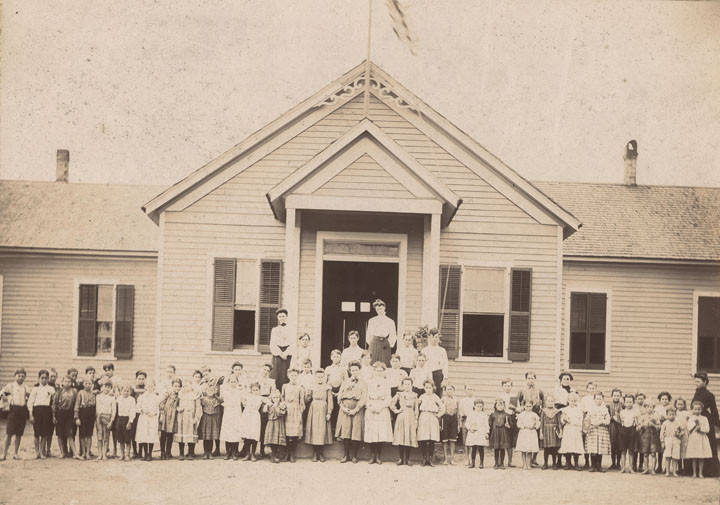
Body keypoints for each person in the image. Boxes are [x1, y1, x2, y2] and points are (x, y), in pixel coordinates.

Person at [335, 361, 367, 463]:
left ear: (359, 370)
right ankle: (346, 455)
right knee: (346, 432)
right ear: (350, 371)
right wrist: (344, 408)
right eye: (352, 370)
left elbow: (364, 397)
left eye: (356, 370)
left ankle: (354, 456)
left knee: (356, 432)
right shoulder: (345, 382)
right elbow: (339, 397)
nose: (354, 372)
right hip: (345, 409)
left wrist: (356, 409)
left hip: (357, 409)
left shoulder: (363, 383)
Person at [691, 372, 720, 477]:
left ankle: (711, 471)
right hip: (696, 420)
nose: (696, 383)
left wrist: (716, 424)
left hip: (706, 421)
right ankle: (694, 471)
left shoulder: (709, 395)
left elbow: (714, 411)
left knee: (708, 445)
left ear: (705, 382)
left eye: (698, 381)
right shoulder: (696, 393)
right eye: (695, 381)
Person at [364, 361, 393, 464]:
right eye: (377, 370)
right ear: (374, 371)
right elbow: (365, 396)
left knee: (380, 432)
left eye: (381, 371)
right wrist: (370, 406)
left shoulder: (386, 382)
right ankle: (372, 455)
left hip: (382, 408)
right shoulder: (369, 382)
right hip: (371, 408)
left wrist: (381, 407)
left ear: (384, 371)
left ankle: (378, 455)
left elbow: (389, 398)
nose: (379, 372)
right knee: (372, 432)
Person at [303, 369, 333, 462]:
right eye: (318, 377)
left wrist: (329, 413)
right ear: (315, 377)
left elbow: (330, 401)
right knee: (314, 431)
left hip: (323, 408)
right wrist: (307, 394)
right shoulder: (312, 386)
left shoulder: (327, 387)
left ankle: (321, 453)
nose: (320, 378)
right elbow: (307, 399)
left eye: (321, 377)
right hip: (314, 409)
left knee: (322, 431)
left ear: (324, 377)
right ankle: (315, 453)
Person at [1, 368, 30, 461]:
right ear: (15, 376)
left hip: (22, 411)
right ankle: (4, 454)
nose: (21, 378)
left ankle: (15, 453)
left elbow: (29, 398)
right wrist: (8, 398)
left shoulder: (26, 387)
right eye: (19, 376)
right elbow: (2, 394)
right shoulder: (11, 386)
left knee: (19, 433)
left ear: (25, 377)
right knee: (9, 433)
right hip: (13, 410)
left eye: (22, 376)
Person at [518, 371, 544, 466]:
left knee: (535, 438)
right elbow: (518, 402)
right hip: (526, 416)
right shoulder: (522, 390)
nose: (531, 380)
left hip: (536, 416)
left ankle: (534, 459)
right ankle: (526, 461)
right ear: (526, 379)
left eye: (532, 378)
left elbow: (543, 402)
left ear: (535, 379)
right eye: (529, 378)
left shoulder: (539, 391)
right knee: (526, 439)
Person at [391, 377, 418, 466]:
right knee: (401, 436)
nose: (407, 386)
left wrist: (416, 419)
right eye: (405, 384)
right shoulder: (399, 394)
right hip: (402, 416)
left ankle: (408, 459)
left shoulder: (414, 395)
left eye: (409, 384)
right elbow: (391, 404)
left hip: (410, 416)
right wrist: (396, 410)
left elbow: (416, 409)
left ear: (412, 385)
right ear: (402, 385)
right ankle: (401, 458)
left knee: (409, 436)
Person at [28, 369, 54, 459]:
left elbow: (54, 402)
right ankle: (37, 452)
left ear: (48, 379)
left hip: (47, 411)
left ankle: (42, 452)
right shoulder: (35, 389)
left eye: (46, 378)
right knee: (37, 433)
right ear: (39, 378)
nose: (44, 380)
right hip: (37, 411)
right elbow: (30, 402)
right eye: (42, 378)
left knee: (44, 433)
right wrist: (31, 415)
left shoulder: (51, 389)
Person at [417, 379, 444, 467]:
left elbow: (442, 408)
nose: (428, 389)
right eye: (426, 387)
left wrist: (438, 415)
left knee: (432, 439)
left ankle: (430, 459)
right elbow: (416, 406)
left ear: (433, 388)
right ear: (424, 388)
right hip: (424, 416)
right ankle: (424, 459)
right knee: (423, 439)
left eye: (430, 387)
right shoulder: (422, 396)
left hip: (432, 417)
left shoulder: (435, 397)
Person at [281, 368, 305, 462]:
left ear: (297, 376)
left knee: (294, 433)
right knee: (286, 433)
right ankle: (286, 453)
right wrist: (283, 407)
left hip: (296, 410)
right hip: (287, 410)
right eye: (292, 375)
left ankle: (292, 454)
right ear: (288, 376)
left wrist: (300, 412)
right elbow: (282, 398)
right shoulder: (285, 386)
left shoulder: (300, 387)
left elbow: (302, 402)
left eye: (295, 375)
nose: (293, 377)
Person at [53, 375, 79, 459]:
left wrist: (75, 415)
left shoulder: (74, 391)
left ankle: (75, 453)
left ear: (71, 383)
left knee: (70, 434)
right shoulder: (59, 392)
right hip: (60, 414)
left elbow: (76, 404)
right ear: (62, 383)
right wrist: (54, 416)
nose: (67, 383)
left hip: (70, 414)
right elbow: (54, 405)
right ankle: (62, 452)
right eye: (65, 381)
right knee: (60, 434)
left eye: (69, 382)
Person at [584, 392, 611, 472]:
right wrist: (592, 423)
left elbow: (608, 420)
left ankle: (599, 465)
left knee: (600, 448)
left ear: (602, 399)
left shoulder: (605, 409)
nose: (598, 400)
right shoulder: (591, 408)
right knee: (593, 448)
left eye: (600, 398)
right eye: (597, 398)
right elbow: (587, 419)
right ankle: (593, 465)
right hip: (593, 430)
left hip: (602, 430)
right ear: (594, 399)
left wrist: (602, 421)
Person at [175, 380, 201, 460]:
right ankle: (181, 453)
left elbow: (198, 407)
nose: (187, 387)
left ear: (191, 386)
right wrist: (178, 409)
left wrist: (196, 418)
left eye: (188, 385)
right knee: (182, 436)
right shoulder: (180, 395)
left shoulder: (195, 395)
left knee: (191, 435)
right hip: (182, 417)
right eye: (185, 386)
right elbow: (176, 405)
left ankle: (191, 453)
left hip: (191, 417)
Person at [366, 299, 397, 366]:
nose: (379, 310)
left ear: (384, 308)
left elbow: (393, 334)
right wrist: (372, 343)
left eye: (381, 308)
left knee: (385, 362)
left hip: (385, 344)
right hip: (374, 343)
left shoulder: (390, 321)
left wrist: (389, 344)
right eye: (377, 309)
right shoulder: (372, 320)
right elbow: (368, 334)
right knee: (373, 362)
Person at [686, 399, 712, 478]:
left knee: (701, 456)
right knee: (694, 457)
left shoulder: (704, 418)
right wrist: (695, 426)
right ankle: (694, 473)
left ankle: (700, 472)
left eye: (699, 409)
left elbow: (707, 429)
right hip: (693, 438)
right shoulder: (691, 418)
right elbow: (689, 429)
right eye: (695, 409)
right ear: (692, 409)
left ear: (701, 410)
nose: (697, 411)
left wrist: (700, 429)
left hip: (701, 439)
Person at [135, 381, 160, 461]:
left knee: (151, 435)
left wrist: (154, 413)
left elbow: (158, 408)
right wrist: (143, 410)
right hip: (144, 418)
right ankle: (145, 454)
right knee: (144, 435)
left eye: (152, 386)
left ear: (154, 387)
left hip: (152, 418)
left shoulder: (156, 397)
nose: (150, 388)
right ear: (146, 387)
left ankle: (150, 454)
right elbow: (138, 407)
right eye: (149, 386)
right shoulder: (142, 397)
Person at [239, 382, 265, 461]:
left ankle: (253, 454)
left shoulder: (261, 398)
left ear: (259, 390)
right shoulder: (248, 396)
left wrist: (266, 406)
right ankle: (247, 454)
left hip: (255, 417)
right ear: (251, 390)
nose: (255, 391)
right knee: (247, 435)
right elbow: (242, 400)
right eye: (253, 390)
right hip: (247, 416)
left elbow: (269, 402)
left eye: (257, 390)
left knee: (254, 435)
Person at [269, 308, 294, 390]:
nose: (282, 318)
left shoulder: (291, 329)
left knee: (286, 374)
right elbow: (273, 344)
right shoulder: (275, 330)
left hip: (287, 354)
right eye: (280, 316)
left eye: (283, 316)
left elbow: (293, 343)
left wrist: (286, 353)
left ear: (286, 317)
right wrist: (280, 353)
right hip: (278, 354)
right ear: (277, 318)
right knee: (276, 374)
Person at [559, 392, 584, 470]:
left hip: (576, 429)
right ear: (568, 401)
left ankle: (576, 464)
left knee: (576, 446)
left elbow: (580, 421)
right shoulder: (565, 410)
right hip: (568, 429)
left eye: (574, 400)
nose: (572, 402)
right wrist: (564, 420)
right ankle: (568, 463)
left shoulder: (579, 410)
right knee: (568, 446)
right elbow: (562, 421)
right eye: (571, 400)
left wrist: (574, 422)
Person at [325, 350, 347, 434]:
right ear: (331, 358)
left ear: (340, 357)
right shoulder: (328, 368)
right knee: (331, 410)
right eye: (334, 356)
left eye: (338, 356)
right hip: (330, 391)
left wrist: (340, 393)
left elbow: (346, 381)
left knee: (339, 412)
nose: (336, 358)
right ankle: (330, 431)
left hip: (340, 391)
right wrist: (330, 391)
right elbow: (325, 381)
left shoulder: (343, 369)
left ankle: (338, 432)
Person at [158, 378, 181, 459]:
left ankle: (168, 452)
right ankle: (162, 452)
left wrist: (178, 408)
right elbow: (161, 403)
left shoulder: (179, 396)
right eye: (175, 386)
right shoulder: (168, 393)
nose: (177, 388)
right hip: (166, 415)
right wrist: (162, 413)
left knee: (170, 435)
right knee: (163, 434)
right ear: (172, 386)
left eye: (179, 386)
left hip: (173, 417)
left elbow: (179, 405)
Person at [257, 363, 276, 459]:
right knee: (257, 426)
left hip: (267, 403)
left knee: (265, 426)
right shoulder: (256, 380)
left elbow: (273, 394)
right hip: (257, 403)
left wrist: (267, 403)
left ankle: (263, 449)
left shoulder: (271, 381)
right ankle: (251, 449)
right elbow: (253, 392)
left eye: (268, 371)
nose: (265, 372)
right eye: (264, 369)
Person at [74, 377, 96, 460]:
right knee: (82, 435)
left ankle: (88, 452)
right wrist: (77, 418)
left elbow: (94, 406)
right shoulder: (80, 393)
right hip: (82, 414)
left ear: (92, 385)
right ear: (83, 384)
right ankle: (83, 452)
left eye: (90, 383)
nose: (88, 385)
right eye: (86, 383)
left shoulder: (93, 394)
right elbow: (76, 406)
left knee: (89, 435)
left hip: (90, 414)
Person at [422, 328, 448, 396]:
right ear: (429, 337)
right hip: (427, 374)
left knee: (438, 395)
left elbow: (445, 365)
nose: (434, 339)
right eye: (432, 337)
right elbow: (422, 365)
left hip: (438, 375)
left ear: (438, 338)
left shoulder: (442, 350)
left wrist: (445, 378)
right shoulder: (424, 350)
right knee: (427, 394)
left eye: (436, 337)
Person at [95, 381, 117, 461]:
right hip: (99, 417)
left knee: (106, 437)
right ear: (102, 387)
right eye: (105, 386)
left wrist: (111, 421)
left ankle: (104, 454)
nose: (107, 389)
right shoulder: (98, 396)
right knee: (99, 437)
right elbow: (97, 408)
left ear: (111, 388)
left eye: (109, 387)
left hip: (107, 417)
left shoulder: (112, 398)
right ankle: (99, 454)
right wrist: (98, 417)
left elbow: (114, 411)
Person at [516, 400, 541, 470]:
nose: (528, 408)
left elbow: (538, 423)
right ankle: (524, 464)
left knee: (530, 449)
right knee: (524, 449)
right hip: (524, 432)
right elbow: (518, 424)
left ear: (532, 406)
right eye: (527, 406)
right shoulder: (521, 415)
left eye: (530, 406)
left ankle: (528, 464)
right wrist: (523, 427)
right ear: (524, 406)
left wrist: (535, 427)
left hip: (531, 432)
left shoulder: (534, 415)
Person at [263, 389, 287, 463]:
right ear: (271, 398)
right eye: (274, 398)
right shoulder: (269, 405)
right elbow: (264, 411)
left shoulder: (281, 405)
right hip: (271, 423)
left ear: (280, 398)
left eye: (277, 397)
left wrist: (277, 406)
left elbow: (281, 413)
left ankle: (276, 454)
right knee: (272, 440)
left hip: (278, 423)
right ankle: (272, 455)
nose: (276, 399)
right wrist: (268, 404)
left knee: (277, 439)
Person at [464, 399, 489, 469]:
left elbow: (486, 425)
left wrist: (487, 432)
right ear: (474, 406)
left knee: (481, 448)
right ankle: (473, 462)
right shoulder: (471, 414)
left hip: (481, 432)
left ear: (482, 407)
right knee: (473, 448)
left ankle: (481, 463)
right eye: (477, 406)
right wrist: (470, 428)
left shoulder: (484, 415)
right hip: (473, 432)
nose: (479, 408)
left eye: (481, 406)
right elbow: (467, 423)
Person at [539, 394, 562, 470]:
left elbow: (559, 423)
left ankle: (554, 463)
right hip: (546, 431)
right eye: (549, 401)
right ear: (546, 402)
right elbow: (541, 422)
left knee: (554, 448)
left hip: (554, 431)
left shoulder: (557, 411)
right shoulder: (543, 411)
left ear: (554, 402)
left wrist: (560, 432)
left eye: (552, 401)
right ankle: (545, 463)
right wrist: (541, 432)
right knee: (546, 448)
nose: (550, 402)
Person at [637, 402, 660, 474]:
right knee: (645, 454)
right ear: (645, 408)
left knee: (653, 453)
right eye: (647, 407)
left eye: (651, 407)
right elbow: (638, 427)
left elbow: (659, 427)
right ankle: (646, 469)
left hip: (653, 437)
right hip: (645, 438)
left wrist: (653, 425)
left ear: (653, 408)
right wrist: (642, 425)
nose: (649, 409)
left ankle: (653, 469)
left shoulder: (656, 417)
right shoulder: (642, 417)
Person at [488, 398, 512, 469]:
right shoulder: (492, 415)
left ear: (504, 406)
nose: (500, 406)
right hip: (495, 433)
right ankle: (496, 463)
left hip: (503, 433)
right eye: (498, 405)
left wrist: (508, 426)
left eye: (502, 405)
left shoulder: (507, 415)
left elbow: (511, 425)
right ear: (495, 406)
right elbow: (490, 424)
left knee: (502, 448)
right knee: (496, 448)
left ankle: (501, 463)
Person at [115, 385, 136, 461]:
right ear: (121, 392)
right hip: (120, 419)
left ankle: (127, 454)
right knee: (121, 439)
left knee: (127, 438)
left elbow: (132, 411)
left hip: (127, 419)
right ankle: (122, 454)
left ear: (130, 392)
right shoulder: (119, 399)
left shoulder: (132, 400)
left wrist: (130, 422)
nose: (126, 392)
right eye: (124, 391)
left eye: (128, 391)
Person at [660, 406, 682, 477]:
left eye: (673, 414)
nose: (672, 416)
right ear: (667, 415)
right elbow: (662, 433)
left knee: (675, 457)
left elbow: (682, 431)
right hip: (668, 440)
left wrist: (679, 434)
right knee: (668, 456)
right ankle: (667, 471)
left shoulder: (678, 422)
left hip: (676, 440)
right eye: (670, 414)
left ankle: (674, 471)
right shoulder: (665, 423)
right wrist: (662, 441)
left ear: (675, 414)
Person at [440, 383, 459, 465]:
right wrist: (440, 423)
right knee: (445, 440)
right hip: (445, 419)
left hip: (453, 420)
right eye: (447, 389)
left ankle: (452, 458)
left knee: (452, 440)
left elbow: (458, 412)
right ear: (445, 391)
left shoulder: (456, 400)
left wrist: (458, 424)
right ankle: (445, 459)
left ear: (453, 390)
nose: (449, 391)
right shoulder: (442, 399)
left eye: (451, 389)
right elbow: (440, 411)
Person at [619, 394, 637, 473]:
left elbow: (636, 423)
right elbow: (622, 422)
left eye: (630, 402)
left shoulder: (635, 412)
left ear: (633, 402)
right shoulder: (622, 412)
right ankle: (623, 467)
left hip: (632, 431)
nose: (629, 403)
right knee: (623, 451)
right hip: (624, 431)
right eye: (627, 402)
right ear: (624, 403)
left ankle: (630, 467)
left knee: (631, 451)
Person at [607, 388, 624, 470]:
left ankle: (618, 463)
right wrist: (612, 418)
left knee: (619, 444)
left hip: (620, 427)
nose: (616, 397)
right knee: (613, 444)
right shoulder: (608, 406)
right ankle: (613, 463)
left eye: (618, 395)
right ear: (612, 396)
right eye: (614, 395)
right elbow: (606, 416)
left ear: (620, 396)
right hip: (612, 426)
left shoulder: (623, 405)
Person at [674, 397, 690, 475]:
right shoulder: (675, 412)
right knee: (678, 450)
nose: (680, 406)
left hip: (685, 433)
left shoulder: (686, 413)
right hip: (677, 433)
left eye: (681, 404)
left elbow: (688, 422)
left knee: (685, 450)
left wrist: (684, 429)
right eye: (678, 404)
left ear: (684, 405)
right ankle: (679, 468)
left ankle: (686, 469)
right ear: (675, 405)